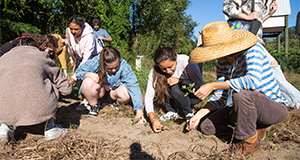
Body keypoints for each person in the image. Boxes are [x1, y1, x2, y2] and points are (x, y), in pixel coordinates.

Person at [186, 21, 288, 158]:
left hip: (274, 108)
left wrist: (213, 85)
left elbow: (252, 81)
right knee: (207, 126)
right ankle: (252, 129)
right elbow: (220, 97)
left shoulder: (253, 50)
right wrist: (197, 116)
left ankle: (250, 143)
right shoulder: (222, 62)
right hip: (245, 106)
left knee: (240, 94)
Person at [223, 0, 300, 108]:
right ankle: (294, 100)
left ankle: (231, 105)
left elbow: (256, 23)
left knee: (241, 71)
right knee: (271, 64)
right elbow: (227, 7)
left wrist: (269, 14)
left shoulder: (262, 2)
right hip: (245, 39)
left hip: (253, 40)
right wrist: (247, 17)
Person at [0, 34, 72, 142]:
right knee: (49, 83)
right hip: (41, 109)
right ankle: (50, 127)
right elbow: (67, 90)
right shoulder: (42, 57)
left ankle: (5, 127)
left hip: (5, 110)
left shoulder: (3, 58)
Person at [75, 46, 145, 123]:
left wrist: (139, 112)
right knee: (87, 82)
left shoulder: (124, 66)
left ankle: (117, 104)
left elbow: (133, 86)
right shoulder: (95, 62)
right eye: (110, 68)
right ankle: (94, 105)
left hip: (113, 92)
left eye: (116, 67)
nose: (114, 70)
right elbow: (78, 72)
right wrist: (89, 74)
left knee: (127, 92)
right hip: (99, 91)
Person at [144, 47, 204, 133]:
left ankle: (188, 113)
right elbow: (149, 94)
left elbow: (200, 85)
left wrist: (180, 80)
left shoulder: (187, 63)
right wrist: (152, 119)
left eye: (170, 66)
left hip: (192, 95)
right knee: (161, 84)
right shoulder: (155, 70)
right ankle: (172, 110)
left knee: (175, 87)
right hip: (175, 95)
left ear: (176, 59)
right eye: (163, 69)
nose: (168, 71)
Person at [66, 15, 103, 109]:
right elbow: (70, 47)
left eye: (76, 29)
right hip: (80, 57)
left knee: (87, 79)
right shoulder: (69, 32)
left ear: (82, 27)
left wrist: (74, 76)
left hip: (94, 58)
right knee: (79, 81)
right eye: (71, 29)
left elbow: (87, 58)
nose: (73, 31)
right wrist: (72, 60)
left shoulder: (89, 37)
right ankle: (85, 98)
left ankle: (91, 101)